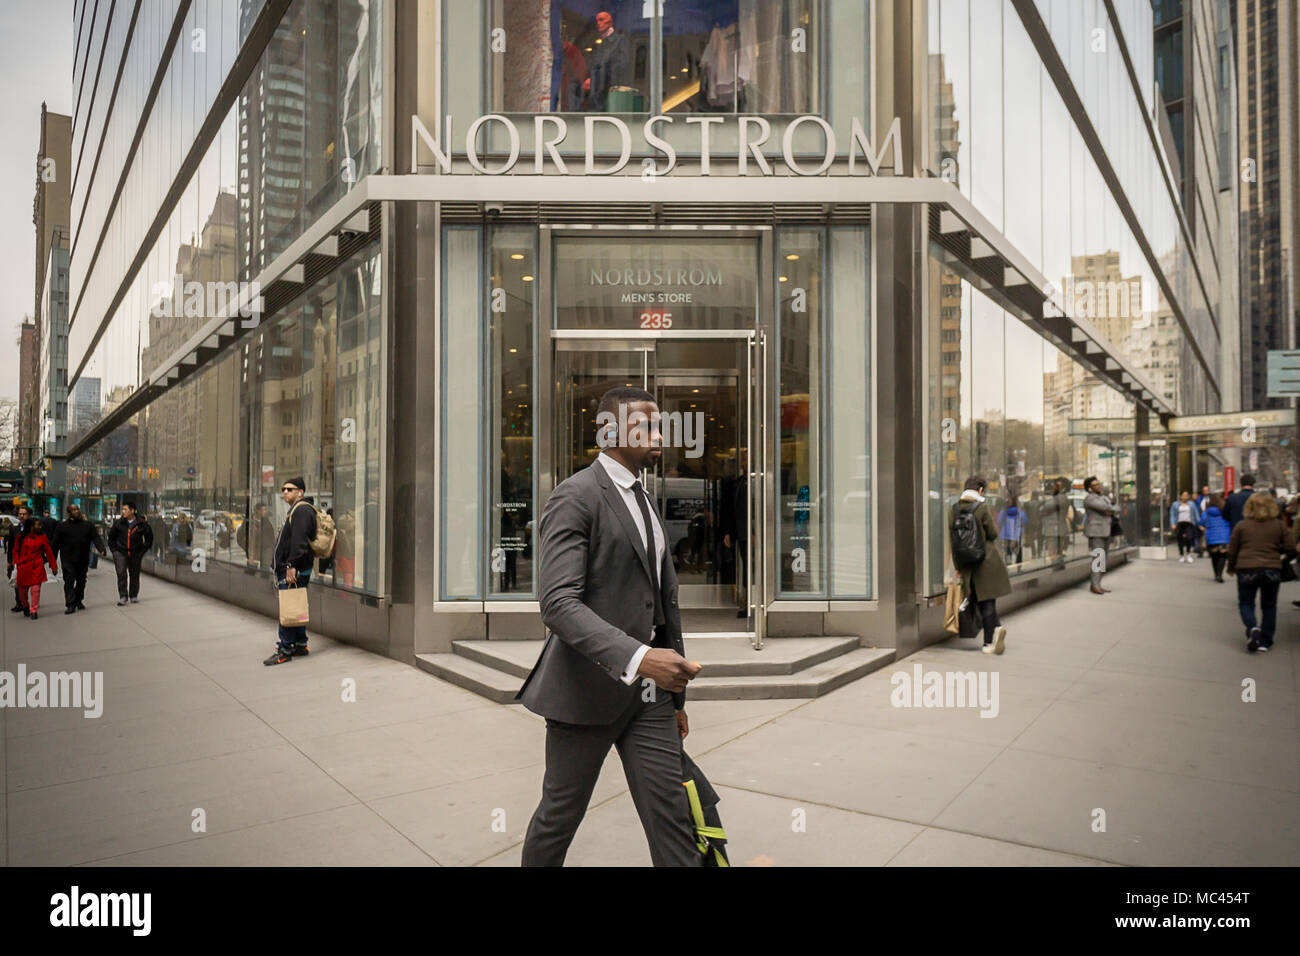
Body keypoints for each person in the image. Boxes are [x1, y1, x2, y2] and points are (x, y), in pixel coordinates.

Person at [518, 386, 703, 867]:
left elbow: (657, 603)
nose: (661, 434)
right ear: (610, 431)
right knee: (559, 817)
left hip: (650, 700)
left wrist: (675, 699)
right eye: (647, 424)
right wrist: (641, 658)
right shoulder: (575, 496)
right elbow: (558, 603)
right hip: (584, 695)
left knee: (673, 817)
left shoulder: (643, 497)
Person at [1226, 491, 1295, 653]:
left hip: (1246, 568)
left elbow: (1233, 550)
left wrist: (1231, 567)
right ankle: (1265, 641)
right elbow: (1291, 548)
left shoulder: (1242, 526)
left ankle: (1252, 627)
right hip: (1272, 569)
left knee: (1246, 602)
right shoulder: (1279, 525)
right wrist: (1281, 559)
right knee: (1269, 605)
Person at [951, 476, 1010, 654]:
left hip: (966, 563)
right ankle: (988, 643)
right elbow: (992, 533)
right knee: (988, 600)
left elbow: (953, 541)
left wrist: (958, 567)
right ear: (981, 490)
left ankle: (997, 628)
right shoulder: (981, 507)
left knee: (977, 599)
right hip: (986, 559)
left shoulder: (953, 509)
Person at [264, 477, 318, 665]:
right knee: (296, 605)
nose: (285, 492)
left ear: (300, 492)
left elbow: (299, 541)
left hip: (294, 569)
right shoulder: (298, 509)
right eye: (283, 489)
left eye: (289, 489)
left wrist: (290, 566)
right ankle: (301, 644)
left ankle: (285, 649)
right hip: (296, 567)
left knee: (288, 606)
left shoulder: (302, 510)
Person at [53, 503, 107, 613]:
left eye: (77, 509)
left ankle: (78, 600)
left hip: (82, 558)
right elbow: (55, 544)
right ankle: (70, 604)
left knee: (81, 581)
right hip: (67, 559)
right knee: (69, 581)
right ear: (68, 513)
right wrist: (52, 560)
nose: (76, 511)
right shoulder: (62, 526)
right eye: (73, 510)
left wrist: (101, 549)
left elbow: (96, 538)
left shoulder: (88, 525)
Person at [583, 10, 631, 111]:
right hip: (597, 95)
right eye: (597, 21)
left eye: (601, 20)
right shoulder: (598, 44)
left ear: (609, 22)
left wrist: (598, 80)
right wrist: (590, 80)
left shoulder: (620, 40)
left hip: (611, 93)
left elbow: (622, 65)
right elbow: (594, 66)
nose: (598, 23)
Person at [108, 500, 154, 605]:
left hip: (135, 552)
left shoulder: (141, 524)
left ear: (132, 511)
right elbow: (111, 538)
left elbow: (149, 538)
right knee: (121, 573)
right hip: (121, 552)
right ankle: (123, 596)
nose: (123, 511)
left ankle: (133, 595)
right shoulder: (118, 524)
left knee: (134, 574)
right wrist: (114, 551)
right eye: (122, 509)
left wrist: (143, 550)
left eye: (125, 509)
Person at [14, 516, 57, 621]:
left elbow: (49, 552)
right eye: (38, 525)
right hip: (23, 567)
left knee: (36, 589)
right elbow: (15, 550)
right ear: (31, 526)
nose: (40, 527)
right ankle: (25, 606)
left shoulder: (42, 537)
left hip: (36, 566)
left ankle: (34, 610)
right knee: (22, 592)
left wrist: (53, 566)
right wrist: (17, 562)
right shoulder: (20, 537)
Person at [1083, 475, 1120, 594]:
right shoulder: (1089, 499)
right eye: (1095, 485)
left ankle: (1098, 583)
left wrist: (1110, 509)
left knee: (1103, 560)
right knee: (1097, 559)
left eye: (1099, 484)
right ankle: (1095, 585)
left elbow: (1115, 508)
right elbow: (1105, 507)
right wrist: (1110, 509)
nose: (1098, 486)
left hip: (1106, 531)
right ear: (1089, 488)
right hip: (1096, 533)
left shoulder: (1103, 497)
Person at [1199, 493, 1231, 583]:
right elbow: (1230, 520)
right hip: (1224, 536)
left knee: (1214, 556)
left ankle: (1216, 573)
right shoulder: (1225, 511)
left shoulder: (1208, 511)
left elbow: (1202, 521)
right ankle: (1220, 574)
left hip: (1211, 536)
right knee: (1222, 556)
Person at [6, 504, 32, 613]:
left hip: (30, 560)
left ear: (29, 515)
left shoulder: (34, 527)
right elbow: (10, 545)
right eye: (20, 514)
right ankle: (19, 603)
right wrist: (9, 560)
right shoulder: (14, 528)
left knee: (29, 584)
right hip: (17, 560)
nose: (21, 516)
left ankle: (27, 601)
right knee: (16, 581)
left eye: (24, 514)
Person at [1039, 478, 1070, 568]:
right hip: (1056, 528)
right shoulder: (1060, 498)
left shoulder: (1060, 498)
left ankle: (1056, 570)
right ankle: (1058, 569)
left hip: (1054, 529)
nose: (1053, 488)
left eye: (1056, 486)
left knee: (1053, 553)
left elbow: (1043, 509)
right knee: (1057, 553)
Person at [1169, 490, 1201, 563]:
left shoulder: (1192, 504)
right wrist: (1173, 524)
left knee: (1189, 538)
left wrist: (1199, 523)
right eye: (1183, 495)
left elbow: (1196, 514)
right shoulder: (1175, 504)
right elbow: (1172, 515)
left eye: (1186, 495)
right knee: (1180, 539)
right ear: (1180, 496)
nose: (1185, 497)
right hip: (1179, 523)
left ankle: (1188, 553)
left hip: (1189, 523)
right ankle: (1182, 555)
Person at [996, 495, 1025, 567]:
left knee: (1007, 549)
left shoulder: (1004, 511)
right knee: (1018, 550)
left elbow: (999, 521)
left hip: (1007, 533)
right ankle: (1019, 565)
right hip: (1017, 533)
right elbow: (1024, 520)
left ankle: (1008, 564)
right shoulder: (1019, 511)